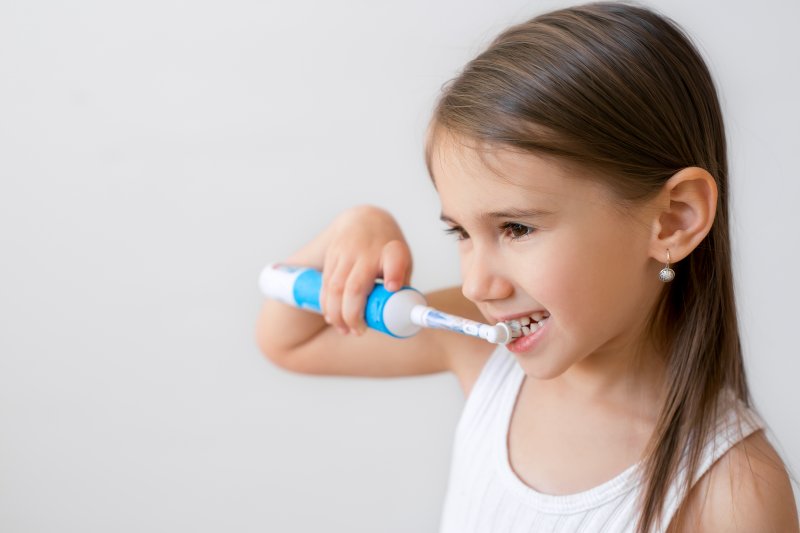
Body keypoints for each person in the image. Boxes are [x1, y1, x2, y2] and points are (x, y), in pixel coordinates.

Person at [255, 2, 799, 531]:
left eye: (516, 228)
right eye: (461, 233)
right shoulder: (479, 346)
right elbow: (291, 340)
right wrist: (352, 229)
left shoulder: (734, 493)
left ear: (673, 221)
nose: (476, 284)